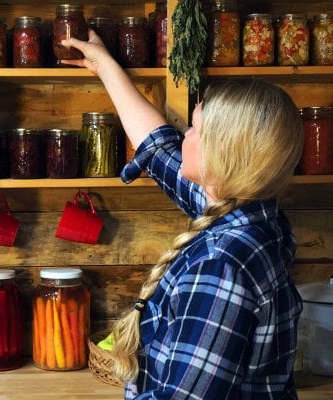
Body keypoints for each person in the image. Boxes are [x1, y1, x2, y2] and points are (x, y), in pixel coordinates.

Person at [61, 31, 304, 399]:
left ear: (220, 154)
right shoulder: (252, 216)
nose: (183, 136)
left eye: (193, 128)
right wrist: (105, 66)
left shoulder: (220, 265)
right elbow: (157, 146)